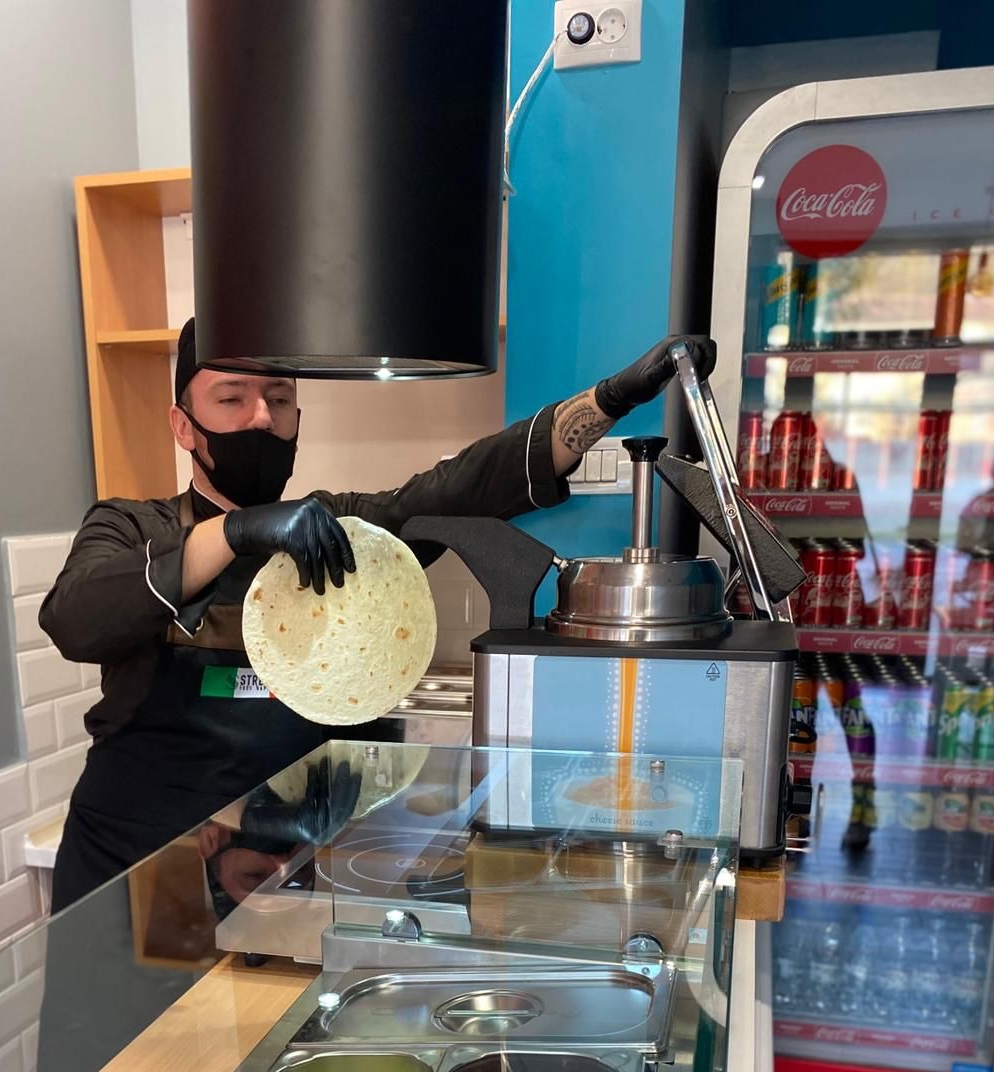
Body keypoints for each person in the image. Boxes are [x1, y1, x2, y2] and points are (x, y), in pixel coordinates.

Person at [40, 320, 716, 914]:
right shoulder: (131, 527)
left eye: (279, 399)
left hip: (290, 863)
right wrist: (235, 532)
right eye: (231, 398)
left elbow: (461, 487)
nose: (260, 417)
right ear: (183, 425)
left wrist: (610, 399)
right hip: (134, 870)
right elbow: (75, 617)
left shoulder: (335, 534)